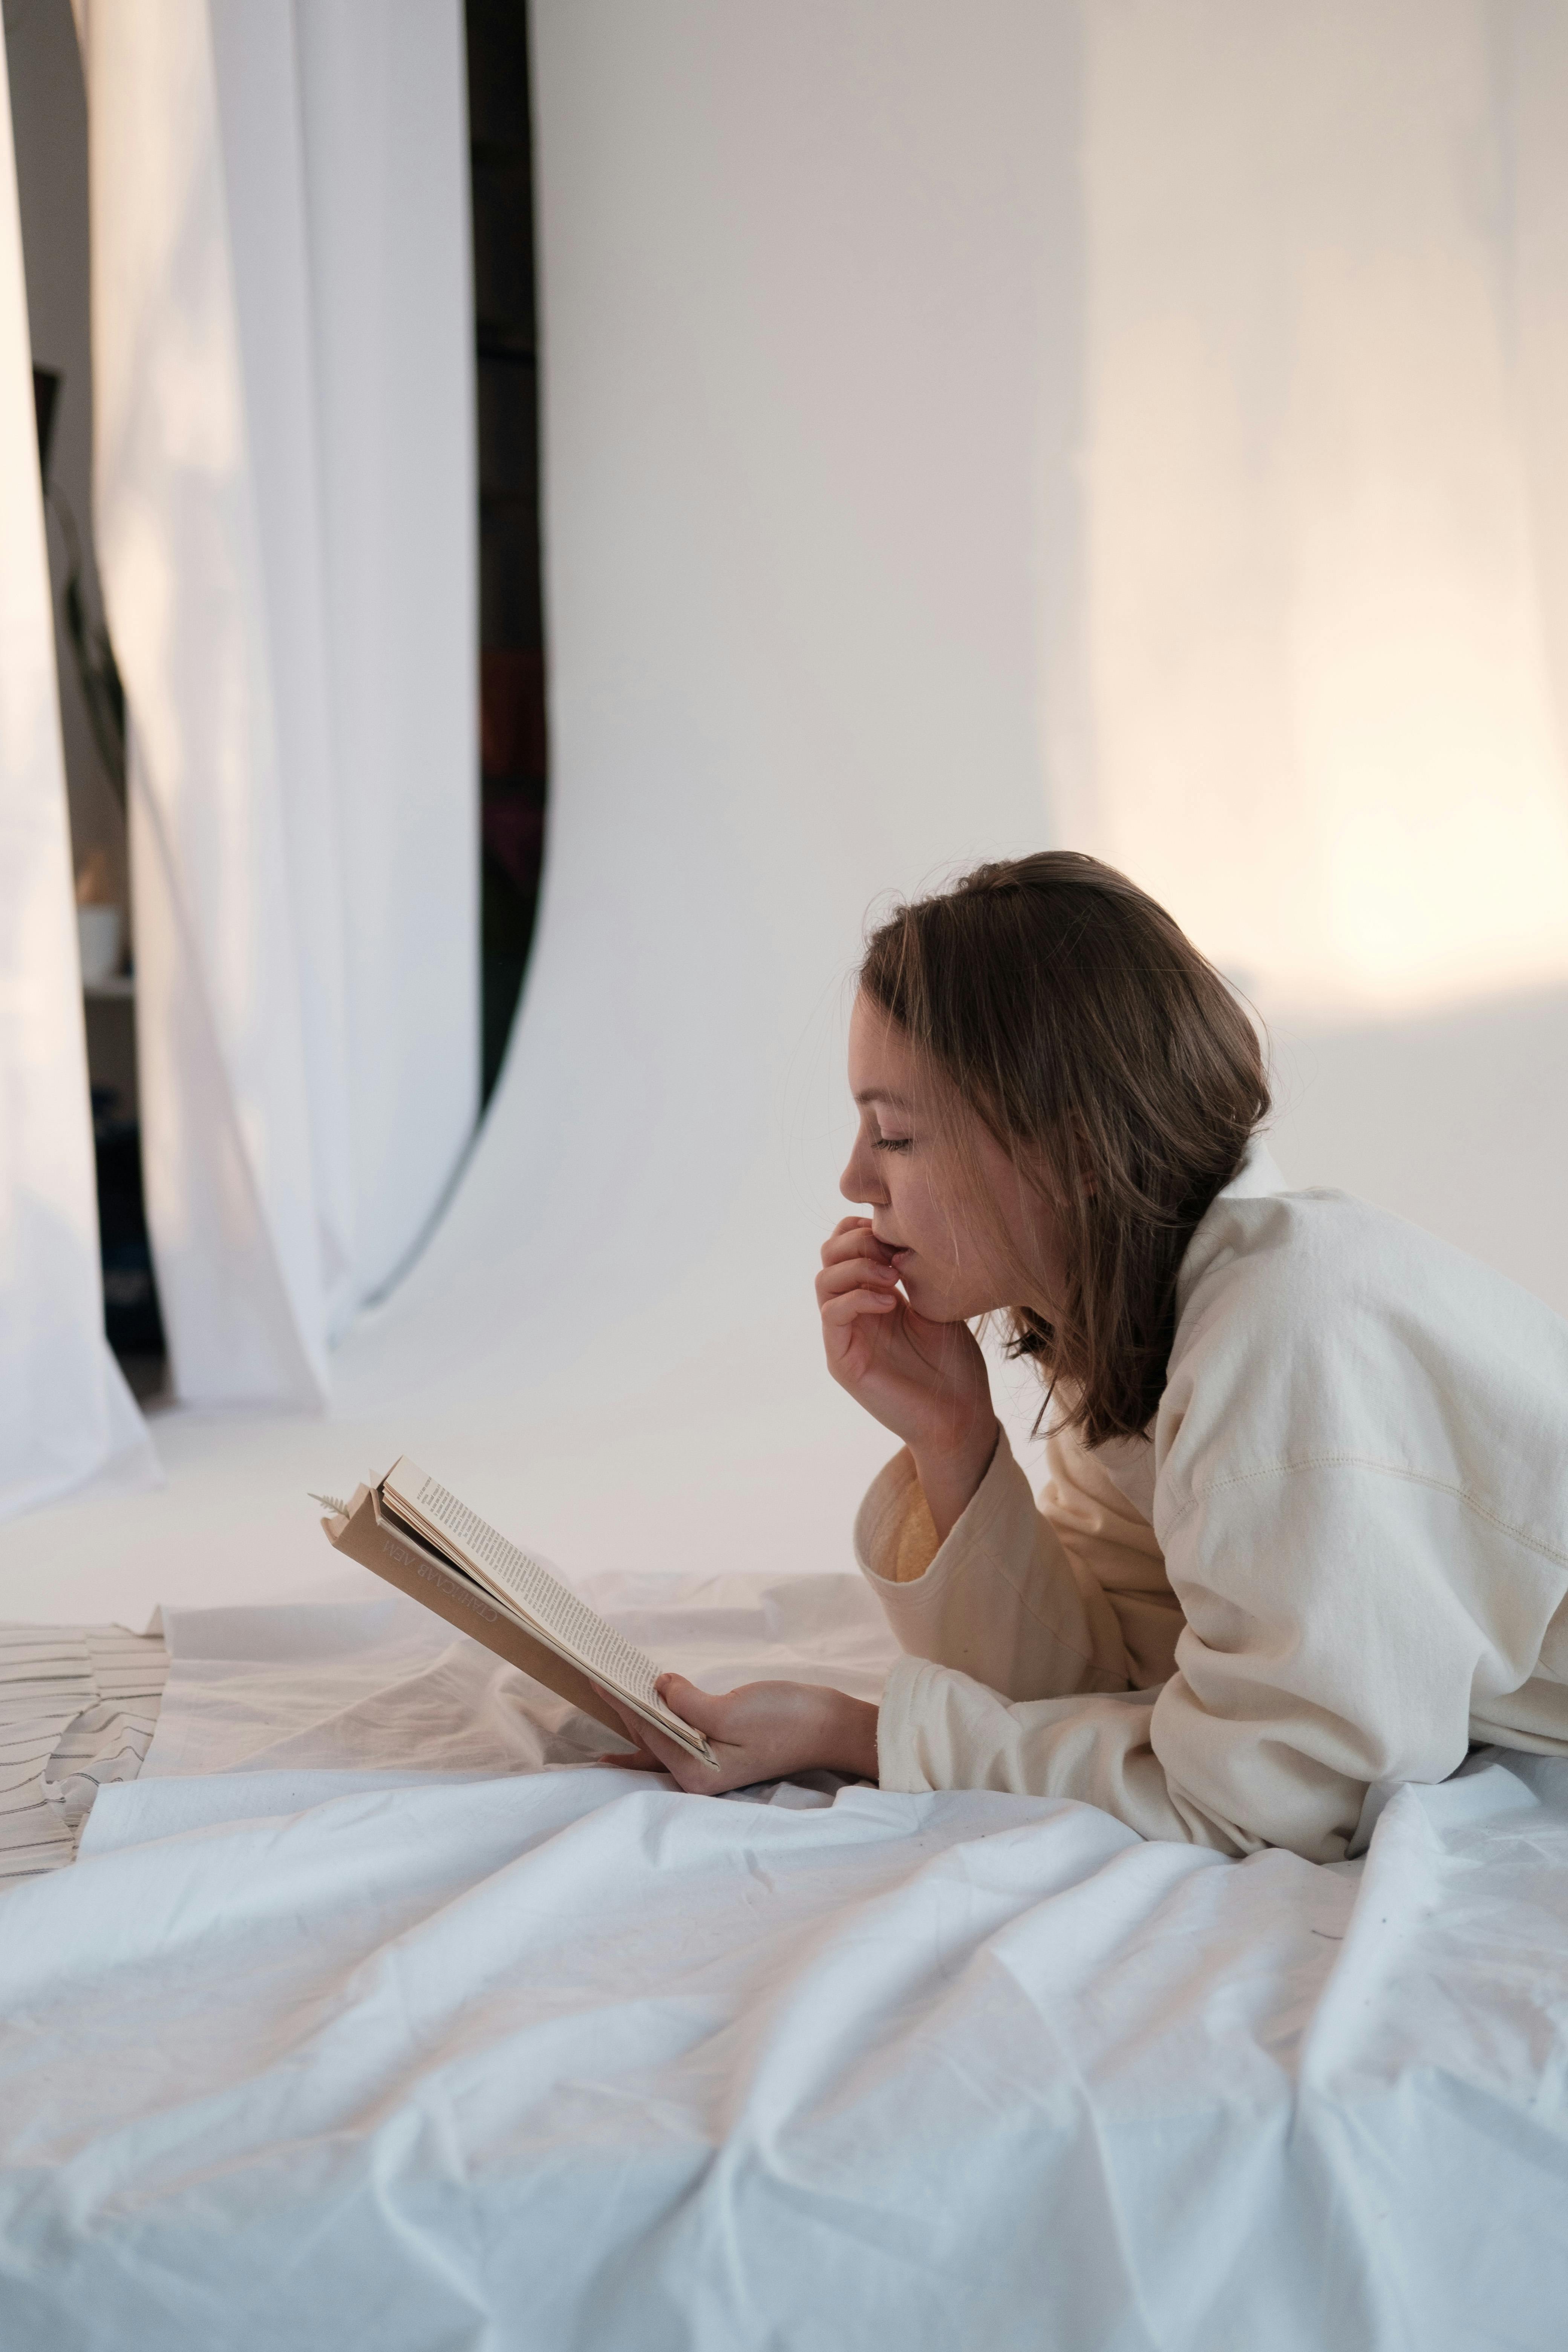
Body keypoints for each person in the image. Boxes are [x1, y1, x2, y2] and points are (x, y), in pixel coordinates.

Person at [599, 852, 1568, 1862]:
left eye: (892, 1135)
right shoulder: (1145, 1324)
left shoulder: (1283, 1336)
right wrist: (955, 1438)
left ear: (1065, 1153)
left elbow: (1273, 1796)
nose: (855, 1182)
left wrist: (862, 1738)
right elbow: (1111, 1678)